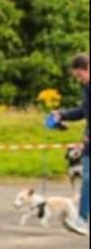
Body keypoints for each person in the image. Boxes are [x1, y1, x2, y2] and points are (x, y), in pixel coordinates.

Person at [52, 52, 89, 236]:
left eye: (79, 75)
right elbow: (84, 111)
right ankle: (81, 219)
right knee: (88, 179)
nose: (78, 79)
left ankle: (82, 219)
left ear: (88, 68)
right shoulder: (86, 88)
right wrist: (63, 115)